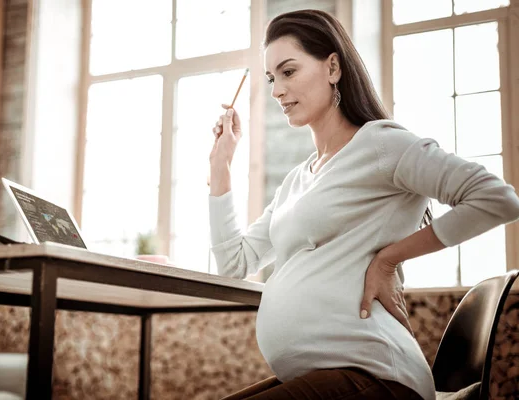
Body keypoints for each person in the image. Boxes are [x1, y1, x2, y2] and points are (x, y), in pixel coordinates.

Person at [207, 9, 519, 400]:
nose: (276, 91)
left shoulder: (381, 145)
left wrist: (388, 258)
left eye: (288, 72)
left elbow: (497, 199)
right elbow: (235, 263)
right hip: (327, 376)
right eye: (272, 79)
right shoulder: (297, 180)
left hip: (378, 378)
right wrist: (221, 165)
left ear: (333, 67)